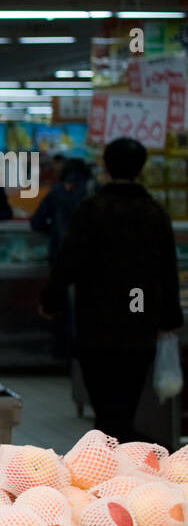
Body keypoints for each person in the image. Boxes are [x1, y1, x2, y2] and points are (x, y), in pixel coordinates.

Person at [40, 138, 183, 442]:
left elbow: (68, 261)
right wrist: (169, 319)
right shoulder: (154, 212)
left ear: (105, 166)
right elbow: (167, 270)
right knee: (126, 402)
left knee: (105, 407)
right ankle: (124, 455)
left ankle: (109, 459)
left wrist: (51, 301)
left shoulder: (91, 209)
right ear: (142, 169)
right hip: (140, 323)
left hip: (96, 324)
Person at [31, 157, 93, 263]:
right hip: (91, 257)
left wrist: (55, 229)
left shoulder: (57, 191)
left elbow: (36, 222)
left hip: (60, 256)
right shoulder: (95, 190)